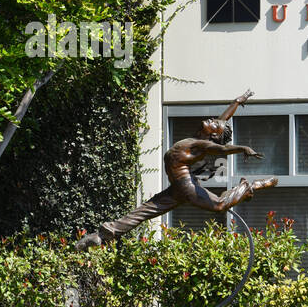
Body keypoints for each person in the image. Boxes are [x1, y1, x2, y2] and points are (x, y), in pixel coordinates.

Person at [75, 90, 277, 250]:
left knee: (219, 205)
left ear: (214, 135)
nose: (212, 120)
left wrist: (243, 148)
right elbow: (222, 121)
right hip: (178, 187)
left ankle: (249, 186)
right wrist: (238, 101)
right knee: (145, 211)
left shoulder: (203, 145)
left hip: (186, 187)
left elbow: (222, 147)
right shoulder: (203, 135)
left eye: (214, 124)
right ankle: (102, 235)